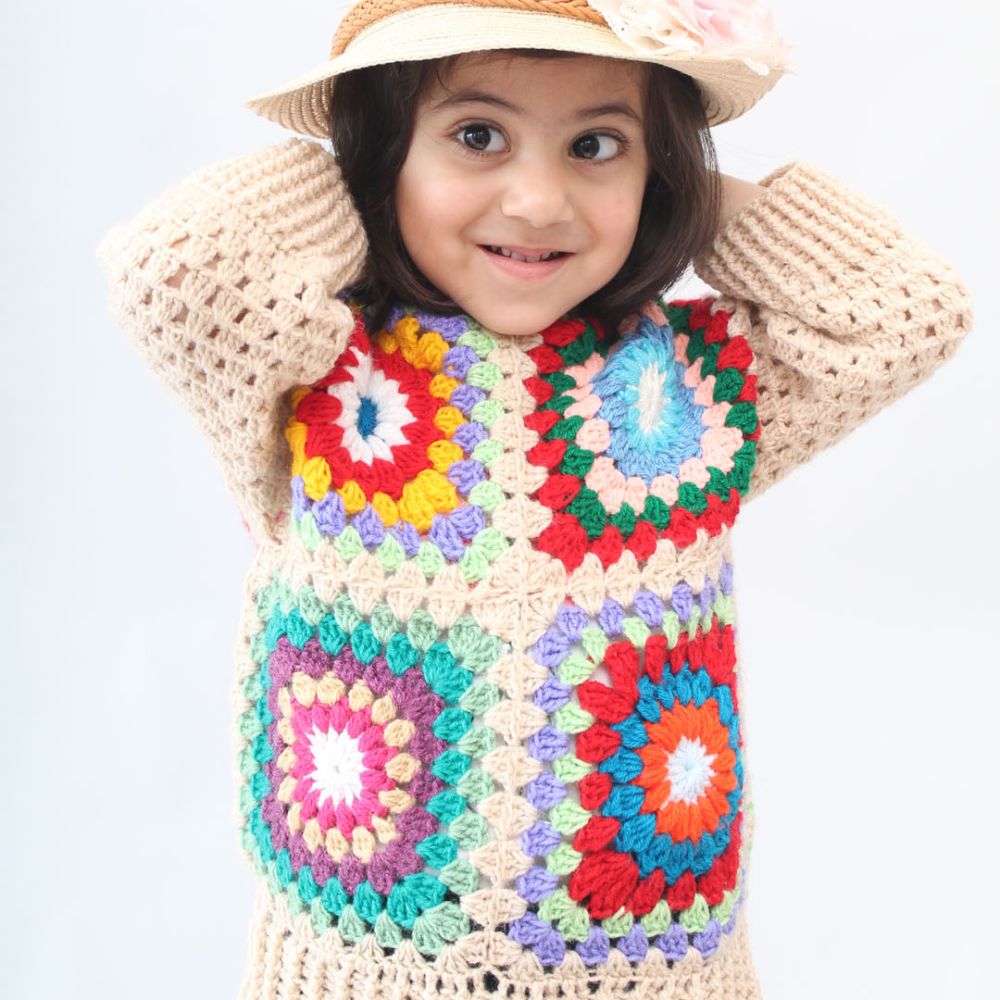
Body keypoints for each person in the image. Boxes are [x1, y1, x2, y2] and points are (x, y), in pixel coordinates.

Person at [95, 1, 972, 997]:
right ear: (384, 154)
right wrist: (351, 169)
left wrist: (686, 197)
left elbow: (904, 313)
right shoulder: (318, 370)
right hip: (357, 968)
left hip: (660, 968)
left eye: (596, 144)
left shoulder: (689, 389)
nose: (538, 198)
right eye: (476, 135)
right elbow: (176, 270)